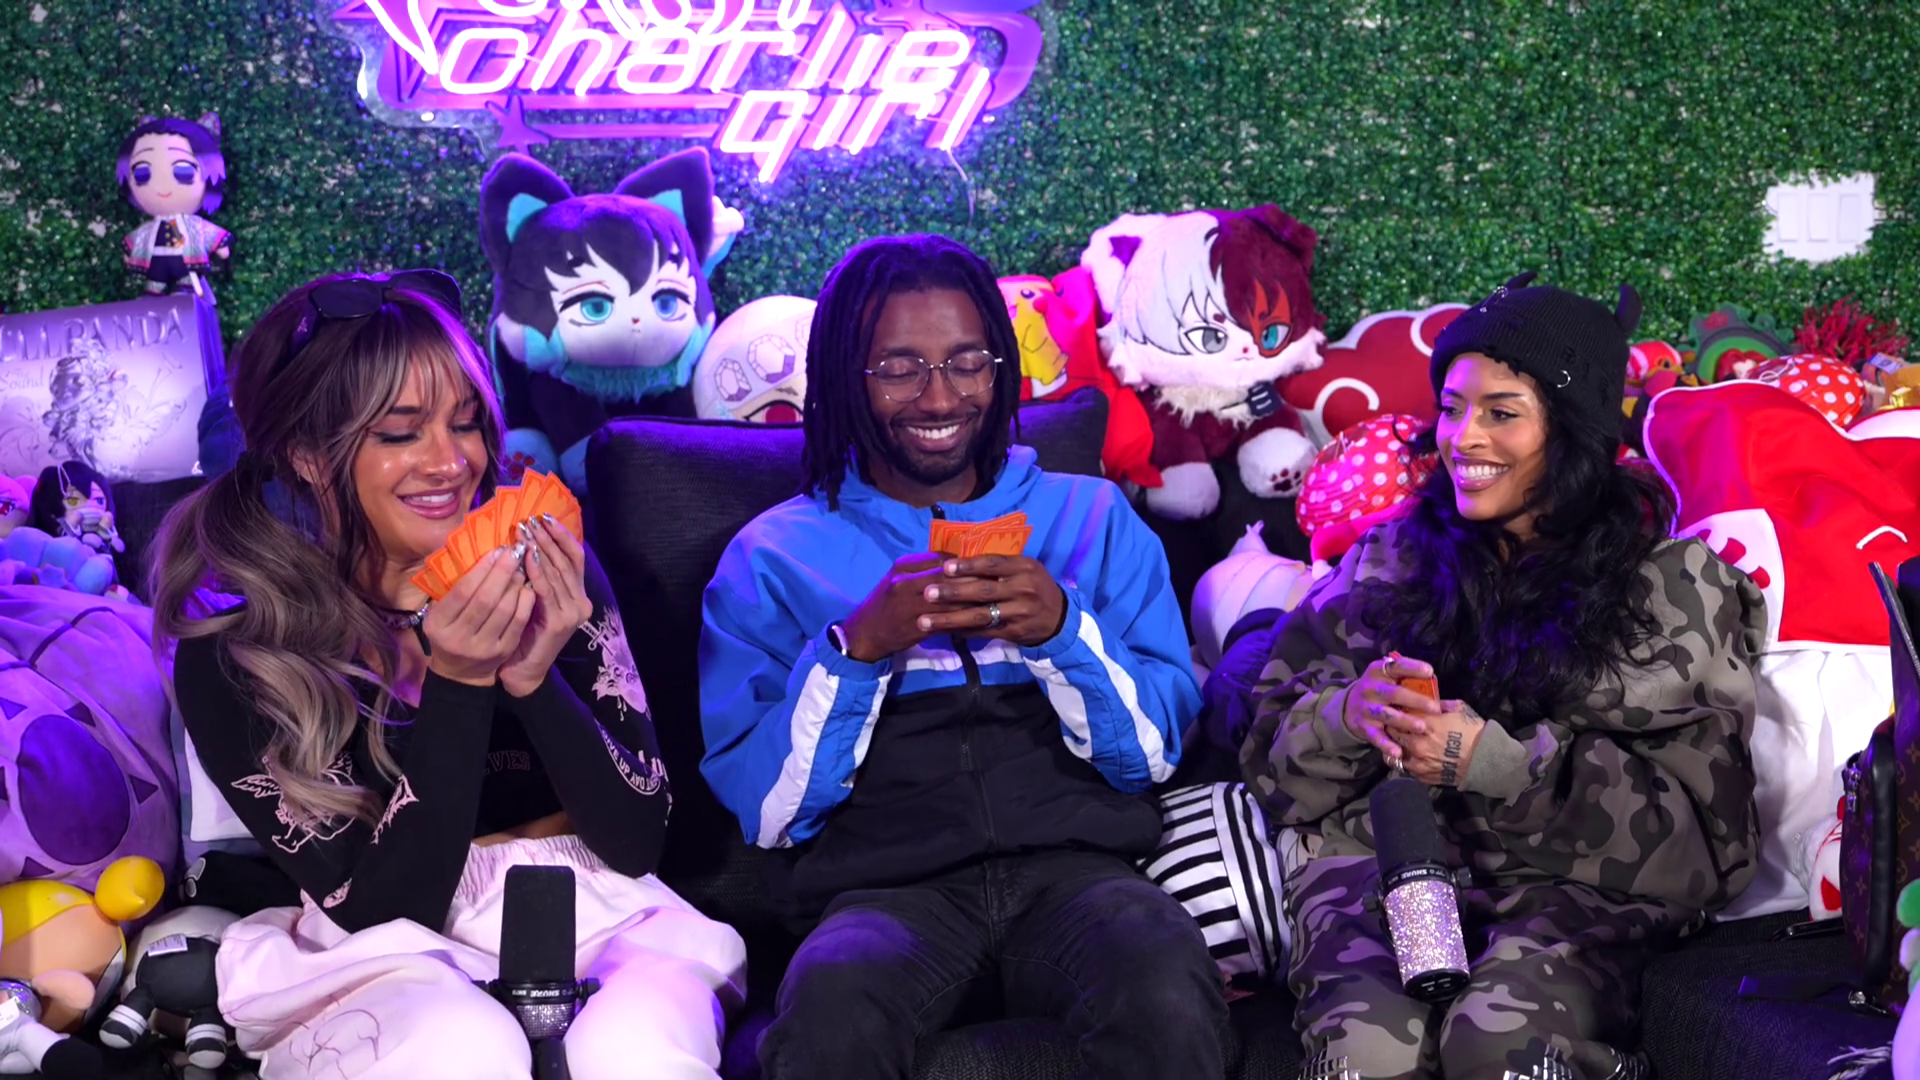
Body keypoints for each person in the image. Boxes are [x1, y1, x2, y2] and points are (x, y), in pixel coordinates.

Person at [150, 271, 746, 1080]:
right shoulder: (240, 651)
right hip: (386, 954)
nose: (452, 462)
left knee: (635, 1054)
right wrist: (460, 684)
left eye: (465, 422)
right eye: (401, 434)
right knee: (463, 1048)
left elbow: (639, 842)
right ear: (307, 457)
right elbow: (383, 913)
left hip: (608, 915)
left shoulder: (547, 564)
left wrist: (533, 679)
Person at [699, 234, 1227, 1080]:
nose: (940, 395)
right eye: (899, 368)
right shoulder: (771, 556)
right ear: (843, 377)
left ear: (999, 369)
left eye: (967, 361)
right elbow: (767, 813)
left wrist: (1063, 632)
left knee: (1163, 977)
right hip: (883, 895)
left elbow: (1155, 757)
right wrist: (857, 651)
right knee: (829, 1010)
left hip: (1079, 874)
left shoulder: (1093, 517)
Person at [1242, 274, 1763, 1080]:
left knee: (1497, 1048)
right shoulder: (1387, 562)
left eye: (1501, 413)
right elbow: (1270, 763)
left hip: (1570, 890)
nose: (1463, 438)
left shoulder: (1668, 588)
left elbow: (1709, 850)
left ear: (1576, 431)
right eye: (1451, 408)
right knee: (1368, 1059)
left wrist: (1497, 765)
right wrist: (1348, 716)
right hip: (1388, 870)